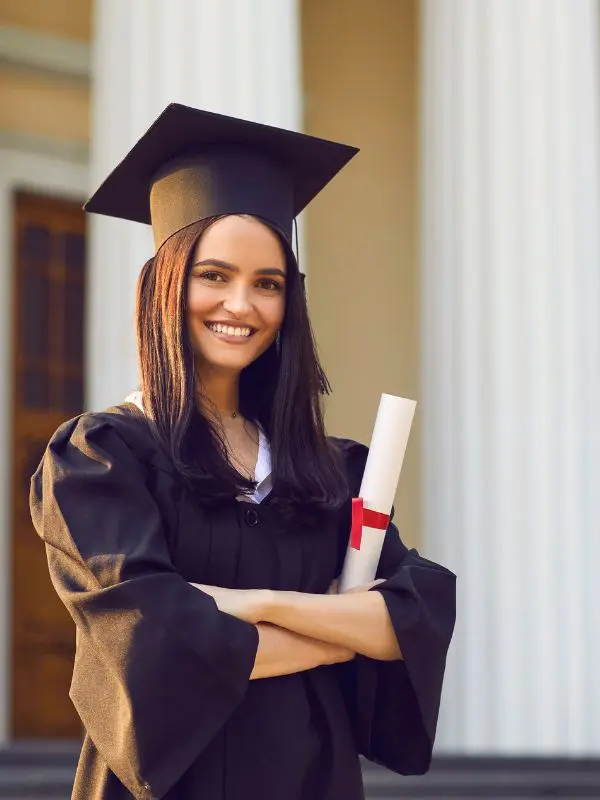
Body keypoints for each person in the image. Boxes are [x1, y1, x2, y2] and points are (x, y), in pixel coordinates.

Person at [29, 103, 456, 800]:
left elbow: (412, 616)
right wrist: (337, 629)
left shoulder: (330, 471)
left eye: (268, 284)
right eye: (214, 275)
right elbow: (152, 640)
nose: (242, 304)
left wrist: (244, 602)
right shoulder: (101, 460)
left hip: (310, 779)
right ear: (166, 285)